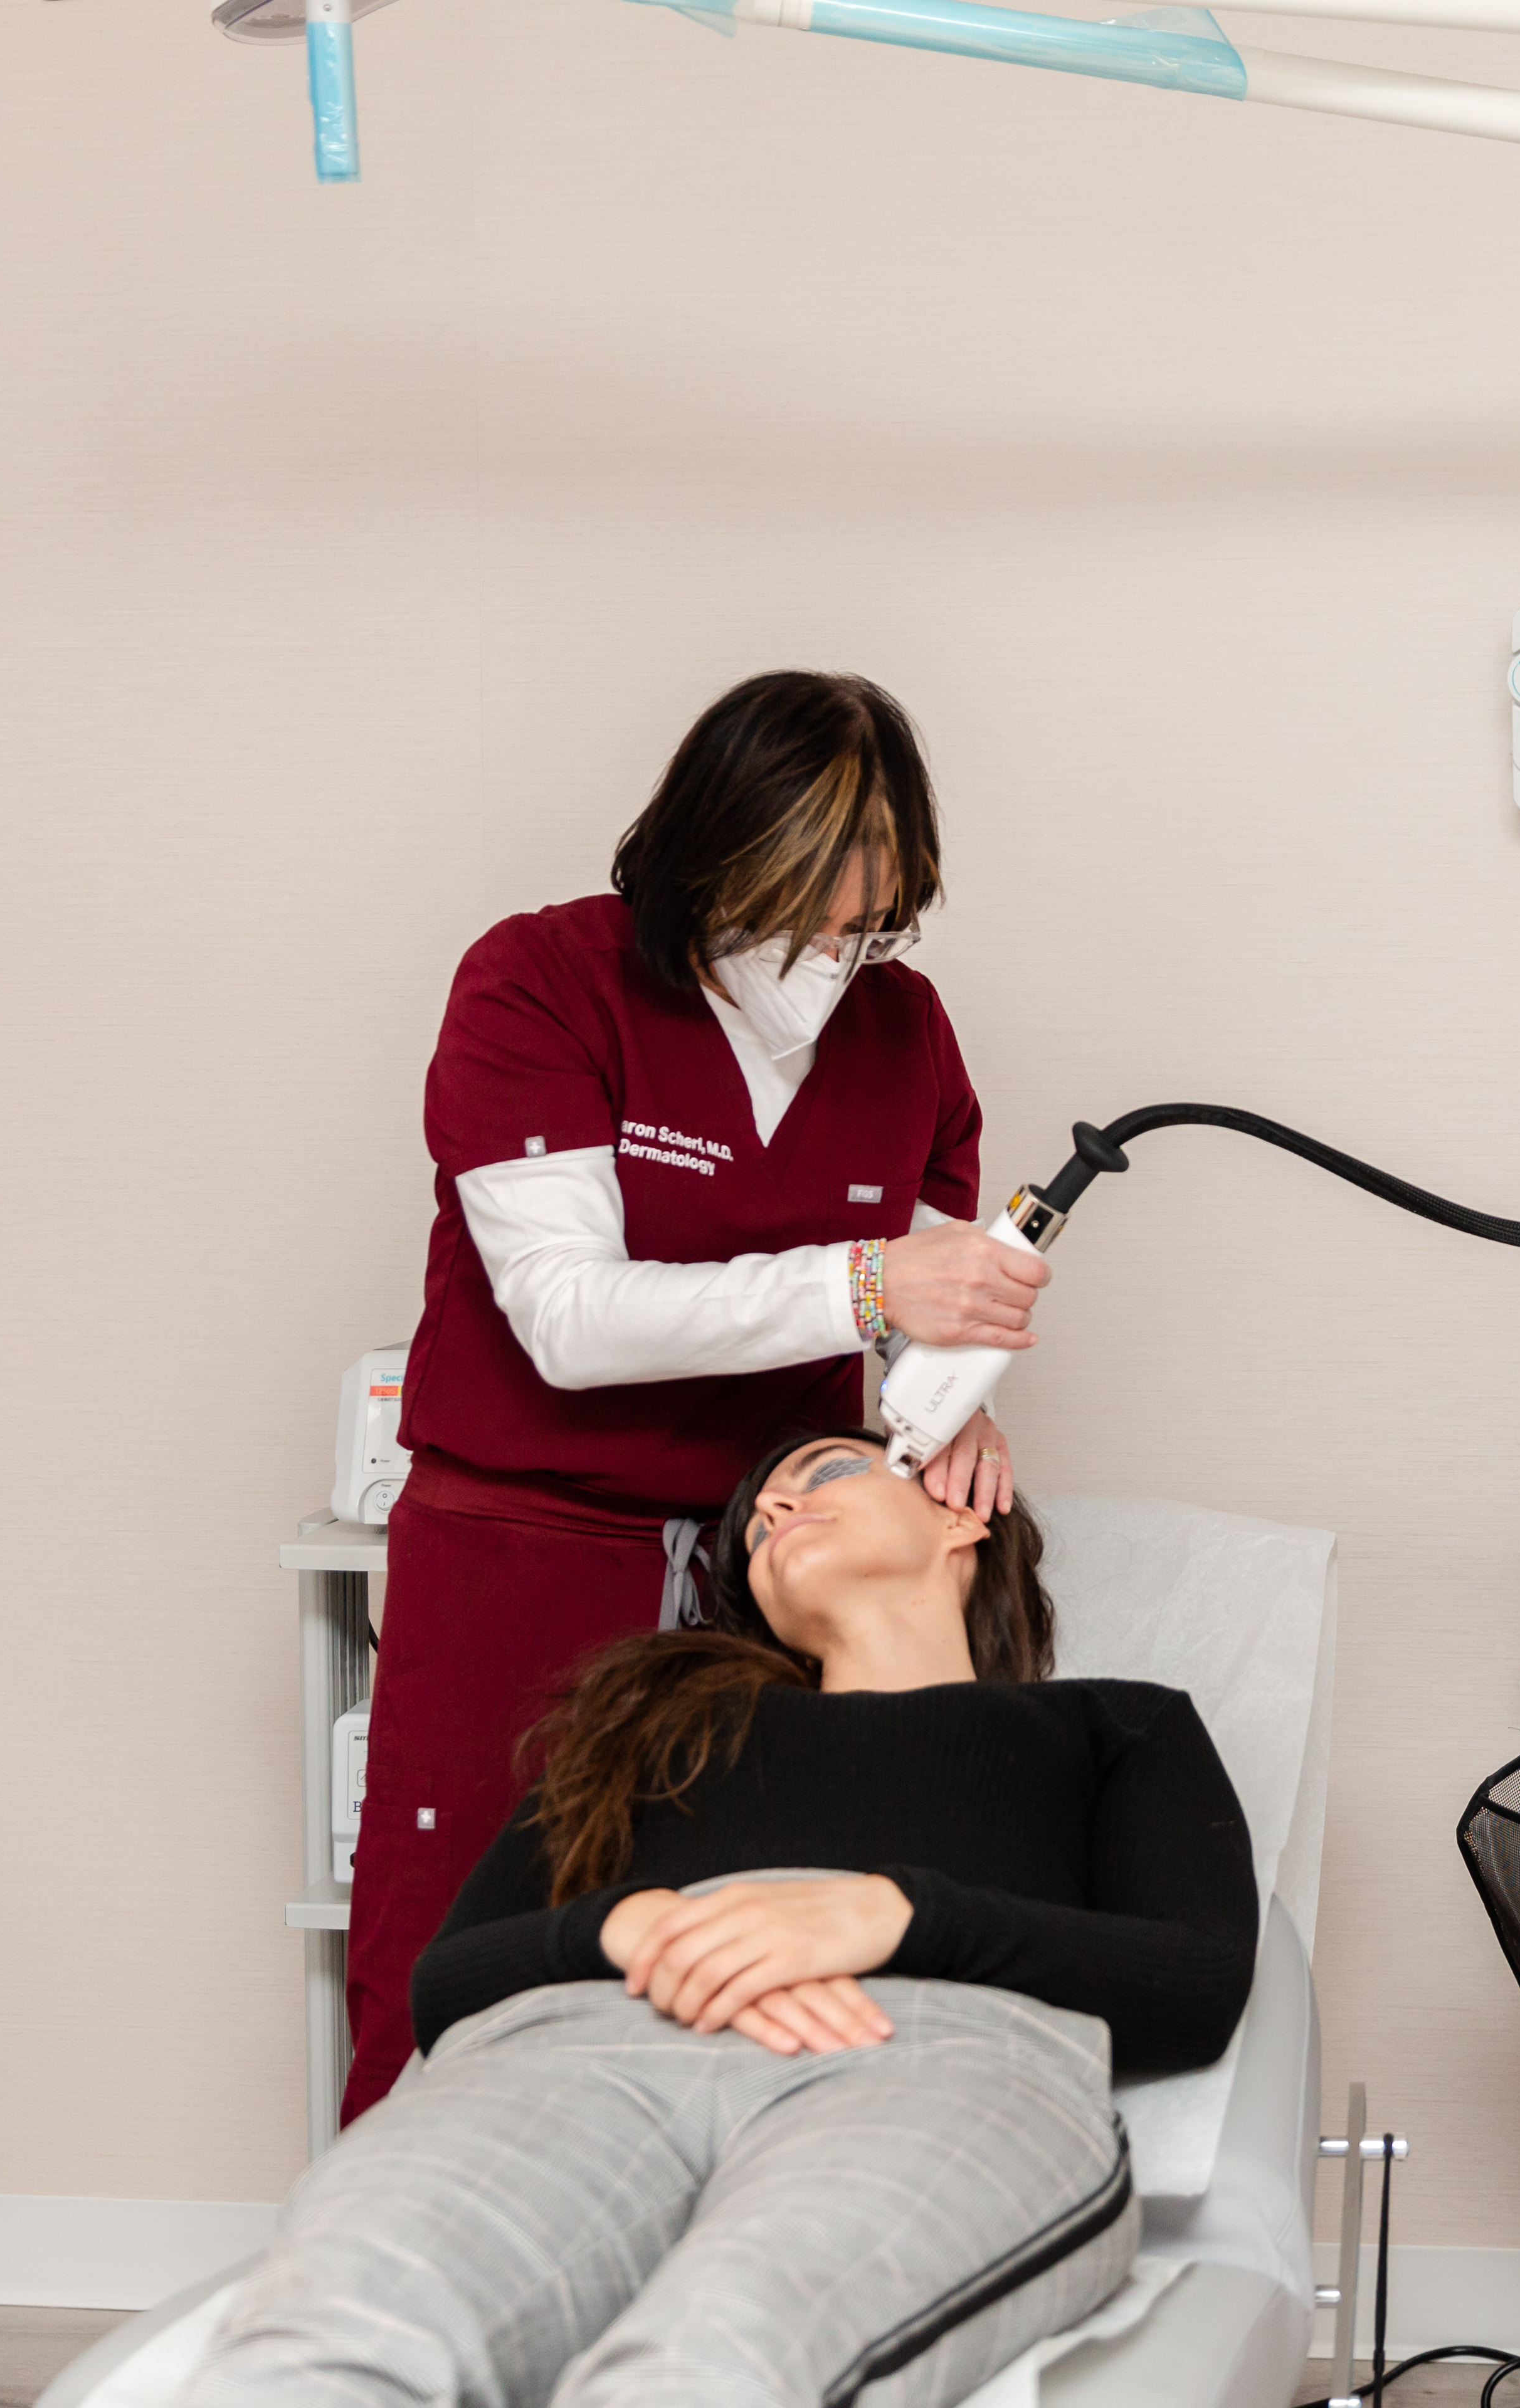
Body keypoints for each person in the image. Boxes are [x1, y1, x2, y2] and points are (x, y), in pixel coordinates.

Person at [184, 1430, 1257, 2408]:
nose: (776, 1514)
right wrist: (620, 1928)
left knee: (712, 2369)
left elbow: (1193, 1980)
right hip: (581, 2054)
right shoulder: (657, 1728)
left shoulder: (1113, 1725)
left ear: (958, 1516)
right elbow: (450, 1983)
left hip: (935, 2056)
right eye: (757, 1521)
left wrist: (898, 1916)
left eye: (826, 1475)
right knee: (326, 2342)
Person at [347, 672, 1052, 2121]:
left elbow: (921, 1292)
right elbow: (567, 1321)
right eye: (801, 916)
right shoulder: (541, 980)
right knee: (461, 1950)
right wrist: (872, 1290)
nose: (833, 958)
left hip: (762, 1577)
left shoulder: (906, 1033)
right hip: (529, 1559)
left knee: (733, 1961)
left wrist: (948, 1389)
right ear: (707, 858)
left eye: (868, 924)